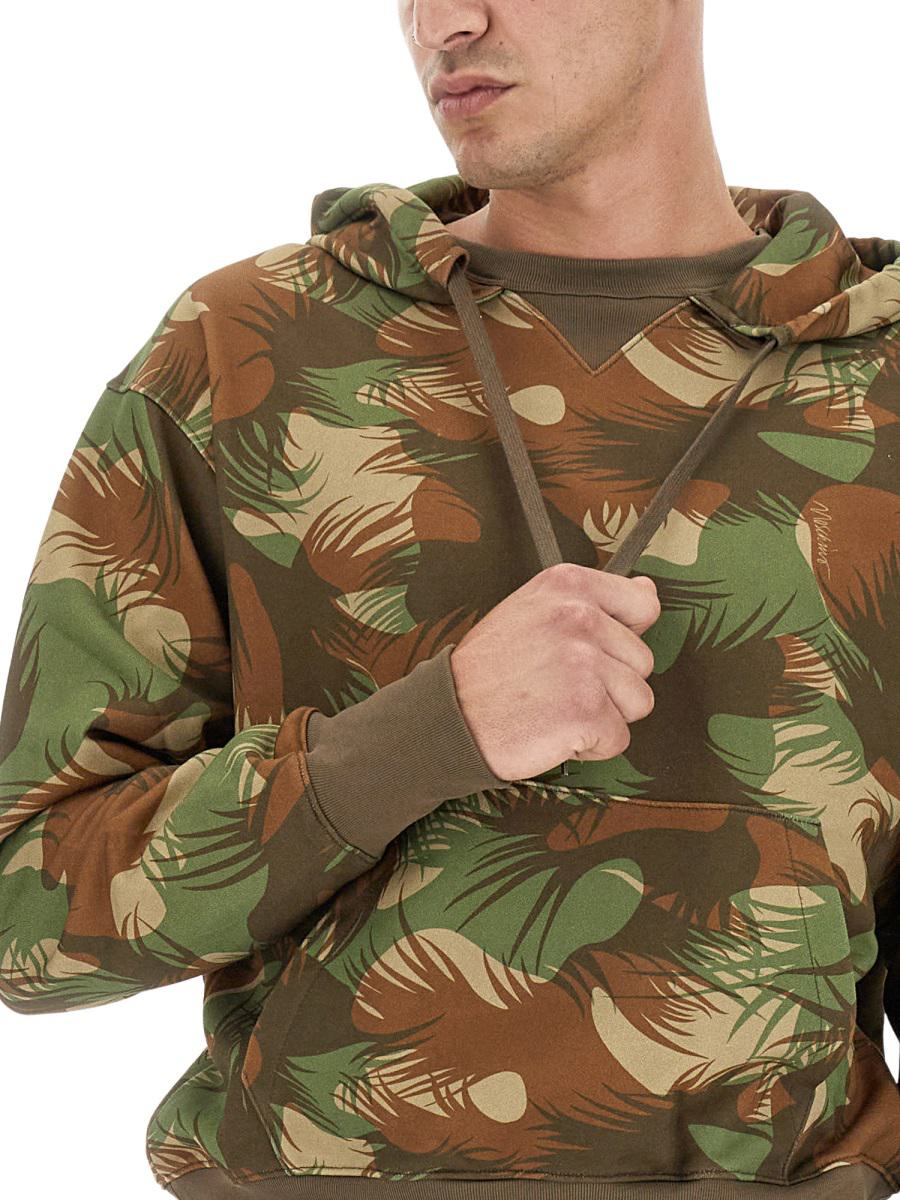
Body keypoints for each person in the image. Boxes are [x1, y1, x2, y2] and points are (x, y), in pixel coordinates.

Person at [1, 0, 899, 1196]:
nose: (442, 22)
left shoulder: (881, 380)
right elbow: (27, 916)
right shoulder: (247, 352)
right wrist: (420, 740)